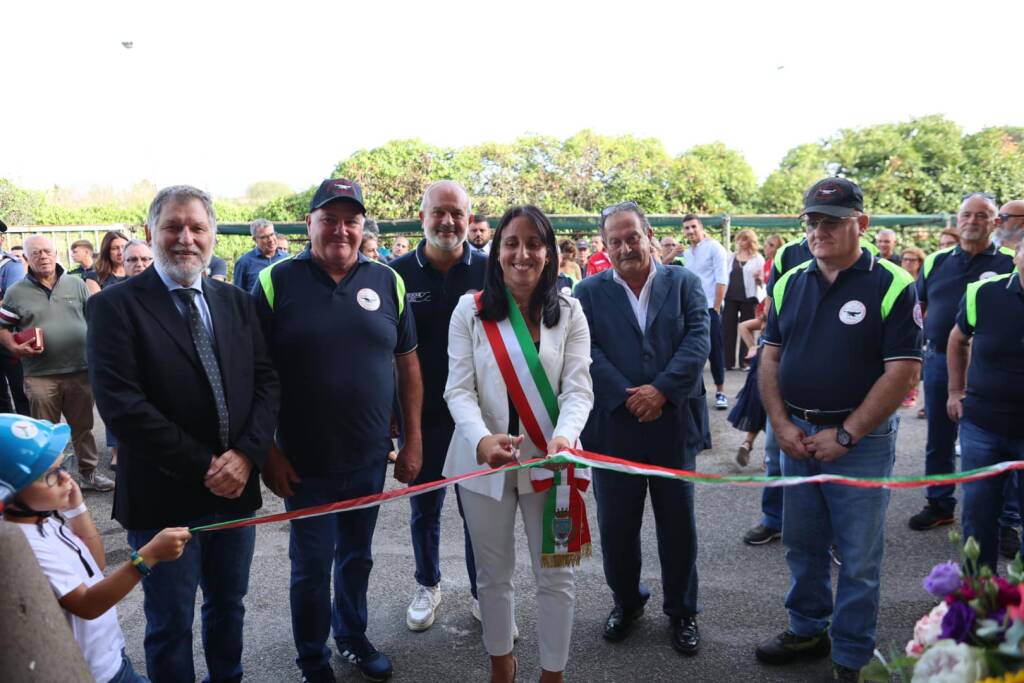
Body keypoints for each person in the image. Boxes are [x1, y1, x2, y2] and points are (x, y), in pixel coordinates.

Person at [87, 185, 280, 683]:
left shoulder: (237, 302)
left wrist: (246, 456)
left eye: (197, 227)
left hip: (236, 492)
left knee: (227, 608)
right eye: (173, 226)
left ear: (213, 234)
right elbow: (122, 408)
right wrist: (206, 466)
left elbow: (266, 380)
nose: (185, 238)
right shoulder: (115, 307)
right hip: (163, 497)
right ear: (151, 233)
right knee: (170, 621)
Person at [754, 177, 921, 681]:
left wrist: (846, 434)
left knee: (858, 555)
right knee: (802, 543)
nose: (818, 230)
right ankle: (807, 627)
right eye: (811, 221)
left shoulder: (891, 283)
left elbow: (903, 372)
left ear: (861, 225)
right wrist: (781, 425)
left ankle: (850, 653)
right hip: (797, 437)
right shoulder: (789, 281)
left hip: (861, 445)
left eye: (832, 221)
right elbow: (770, 358)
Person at [255, 178, 422, 683]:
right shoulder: (276, 282)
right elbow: (254, 375)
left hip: (370, 457)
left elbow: (408, 365)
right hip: (303, 463)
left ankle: (351, 636)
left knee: (356, 557)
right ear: (309, 224)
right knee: (310, 566)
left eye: (351, 220)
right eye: (329, 218)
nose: (341, 229)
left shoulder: (386, 280)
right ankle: (312, 658)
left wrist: (411, 440)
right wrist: (267, 453)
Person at [444, 204, 593, 683]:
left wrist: (565, 436)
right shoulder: (469, 310)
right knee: (493, 576)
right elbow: (458, 389)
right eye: (511, 242)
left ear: (548, 253)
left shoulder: (570, 312)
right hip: (481, 461)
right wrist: (482, 438)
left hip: (552, 461)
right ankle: (501, 665)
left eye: (533, 243)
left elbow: (578, 389)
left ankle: (553, 672)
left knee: (556, 575)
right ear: (497, 250)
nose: (522, 253)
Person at [576, 201, 709, 657]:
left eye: (632, 236)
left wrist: (661, 392)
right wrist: (627, 395)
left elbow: (698, 339)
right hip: (615, 427)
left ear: (648, 234)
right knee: (616, 526)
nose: (625, 247)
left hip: (672, 424)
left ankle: (682, 611)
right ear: (604, 246)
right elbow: (585, 351)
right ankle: (627, 603)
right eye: (614, 241)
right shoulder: (587, 292)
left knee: (678, 527)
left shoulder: (684, 282)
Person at [1, 414, 192, 683]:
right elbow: (87, 604)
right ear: (7, 493)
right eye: (50, 476)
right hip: (94, 674)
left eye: (63, 466)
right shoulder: (26, 544)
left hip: (112, 658)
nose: (66, 478)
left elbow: (96, 563)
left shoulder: (44, 521)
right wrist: (148, 557)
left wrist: (77, 510)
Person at [390, 180, 484, 632]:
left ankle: (484, 592)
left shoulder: (491, 272)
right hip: (420, 416)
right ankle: (428, 584)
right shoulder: (394, 274)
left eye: (457, 213)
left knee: (479, 508)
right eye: (438, 212)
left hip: (478, 417)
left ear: (470, 218)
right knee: (425, 508)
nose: (447, 222)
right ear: (422, 216)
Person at [909, 192, 1017, 532]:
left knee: (1005, 444)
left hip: (991, 368)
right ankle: (940, 503)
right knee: (939, 438)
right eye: (967, 215)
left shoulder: (1011, 262)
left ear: (995, 222)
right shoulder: (936, 262)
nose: (973, 221)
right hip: (940, 360)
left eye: (982, 215)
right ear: (958, 221)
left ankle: (1005, 521)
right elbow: (919, 309)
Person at [0, 235, 113, 493]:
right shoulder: (16, 291)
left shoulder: (77, 284)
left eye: (47, 251)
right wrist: (14, 346)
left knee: (83, 427)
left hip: (80, 371)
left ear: (56, 254)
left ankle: (89, 473)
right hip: (40, 375)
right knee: (44, 433)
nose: (43, 256)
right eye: (36, 253)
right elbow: (3, 328)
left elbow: (94, 321)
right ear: (27, 259)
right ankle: (47, 480)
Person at [947, 239, 1024, 569]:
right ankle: (979, 598)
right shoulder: (984, 293)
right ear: (1017, 254)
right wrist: (954, 390)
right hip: (983, 425)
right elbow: (957, 339)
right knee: (978, 517)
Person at [681, 213, 729, 410]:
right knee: (690, 350)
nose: (691, 231)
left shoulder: (714, 247)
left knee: (715, 350)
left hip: (710, 308)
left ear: (700, 227)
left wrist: (716, 308)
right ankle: (694, 391)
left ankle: (720, 392)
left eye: (693, 226)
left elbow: (722, 279)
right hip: (689, 309)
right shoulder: (685, 253)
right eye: (686, 228)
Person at [722, 229, 765, 370]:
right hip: (730, 297)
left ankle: (745, 361)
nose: (741, 242)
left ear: (750, 241)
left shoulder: (758, 258)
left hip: (749, 298)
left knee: (747, 329)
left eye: (744, 239)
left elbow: (763, 281)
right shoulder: (731, 256)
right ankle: (727, 362)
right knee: (728, 329)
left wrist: (759, 279)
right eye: (739, 239)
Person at [0, 218, 29, 416]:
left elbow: (11, 302)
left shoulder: (11, 265)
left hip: (8, 337)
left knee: (20, 391)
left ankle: (27, 437)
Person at [233, 218, 288, 292]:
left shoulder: (287, 259)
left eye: (272, 234)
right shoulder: (243, 263)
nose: (271, 240)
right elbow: (237, 296)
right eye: (264, 237)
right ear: (255, 239)